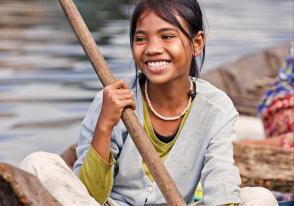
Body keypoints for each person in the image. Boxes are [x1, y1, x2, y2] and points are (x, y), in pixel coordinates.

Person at [20, 0, 278, 205]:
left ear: (196, 43)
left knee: (259, 199)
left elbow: (221, 183)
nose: (152, 48)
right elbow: (89, 196)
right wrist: (105, 125)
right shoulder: (110, 101)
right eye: (141, 39)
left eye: (167, 37)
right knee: (37, 163)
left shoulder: (217, 108)